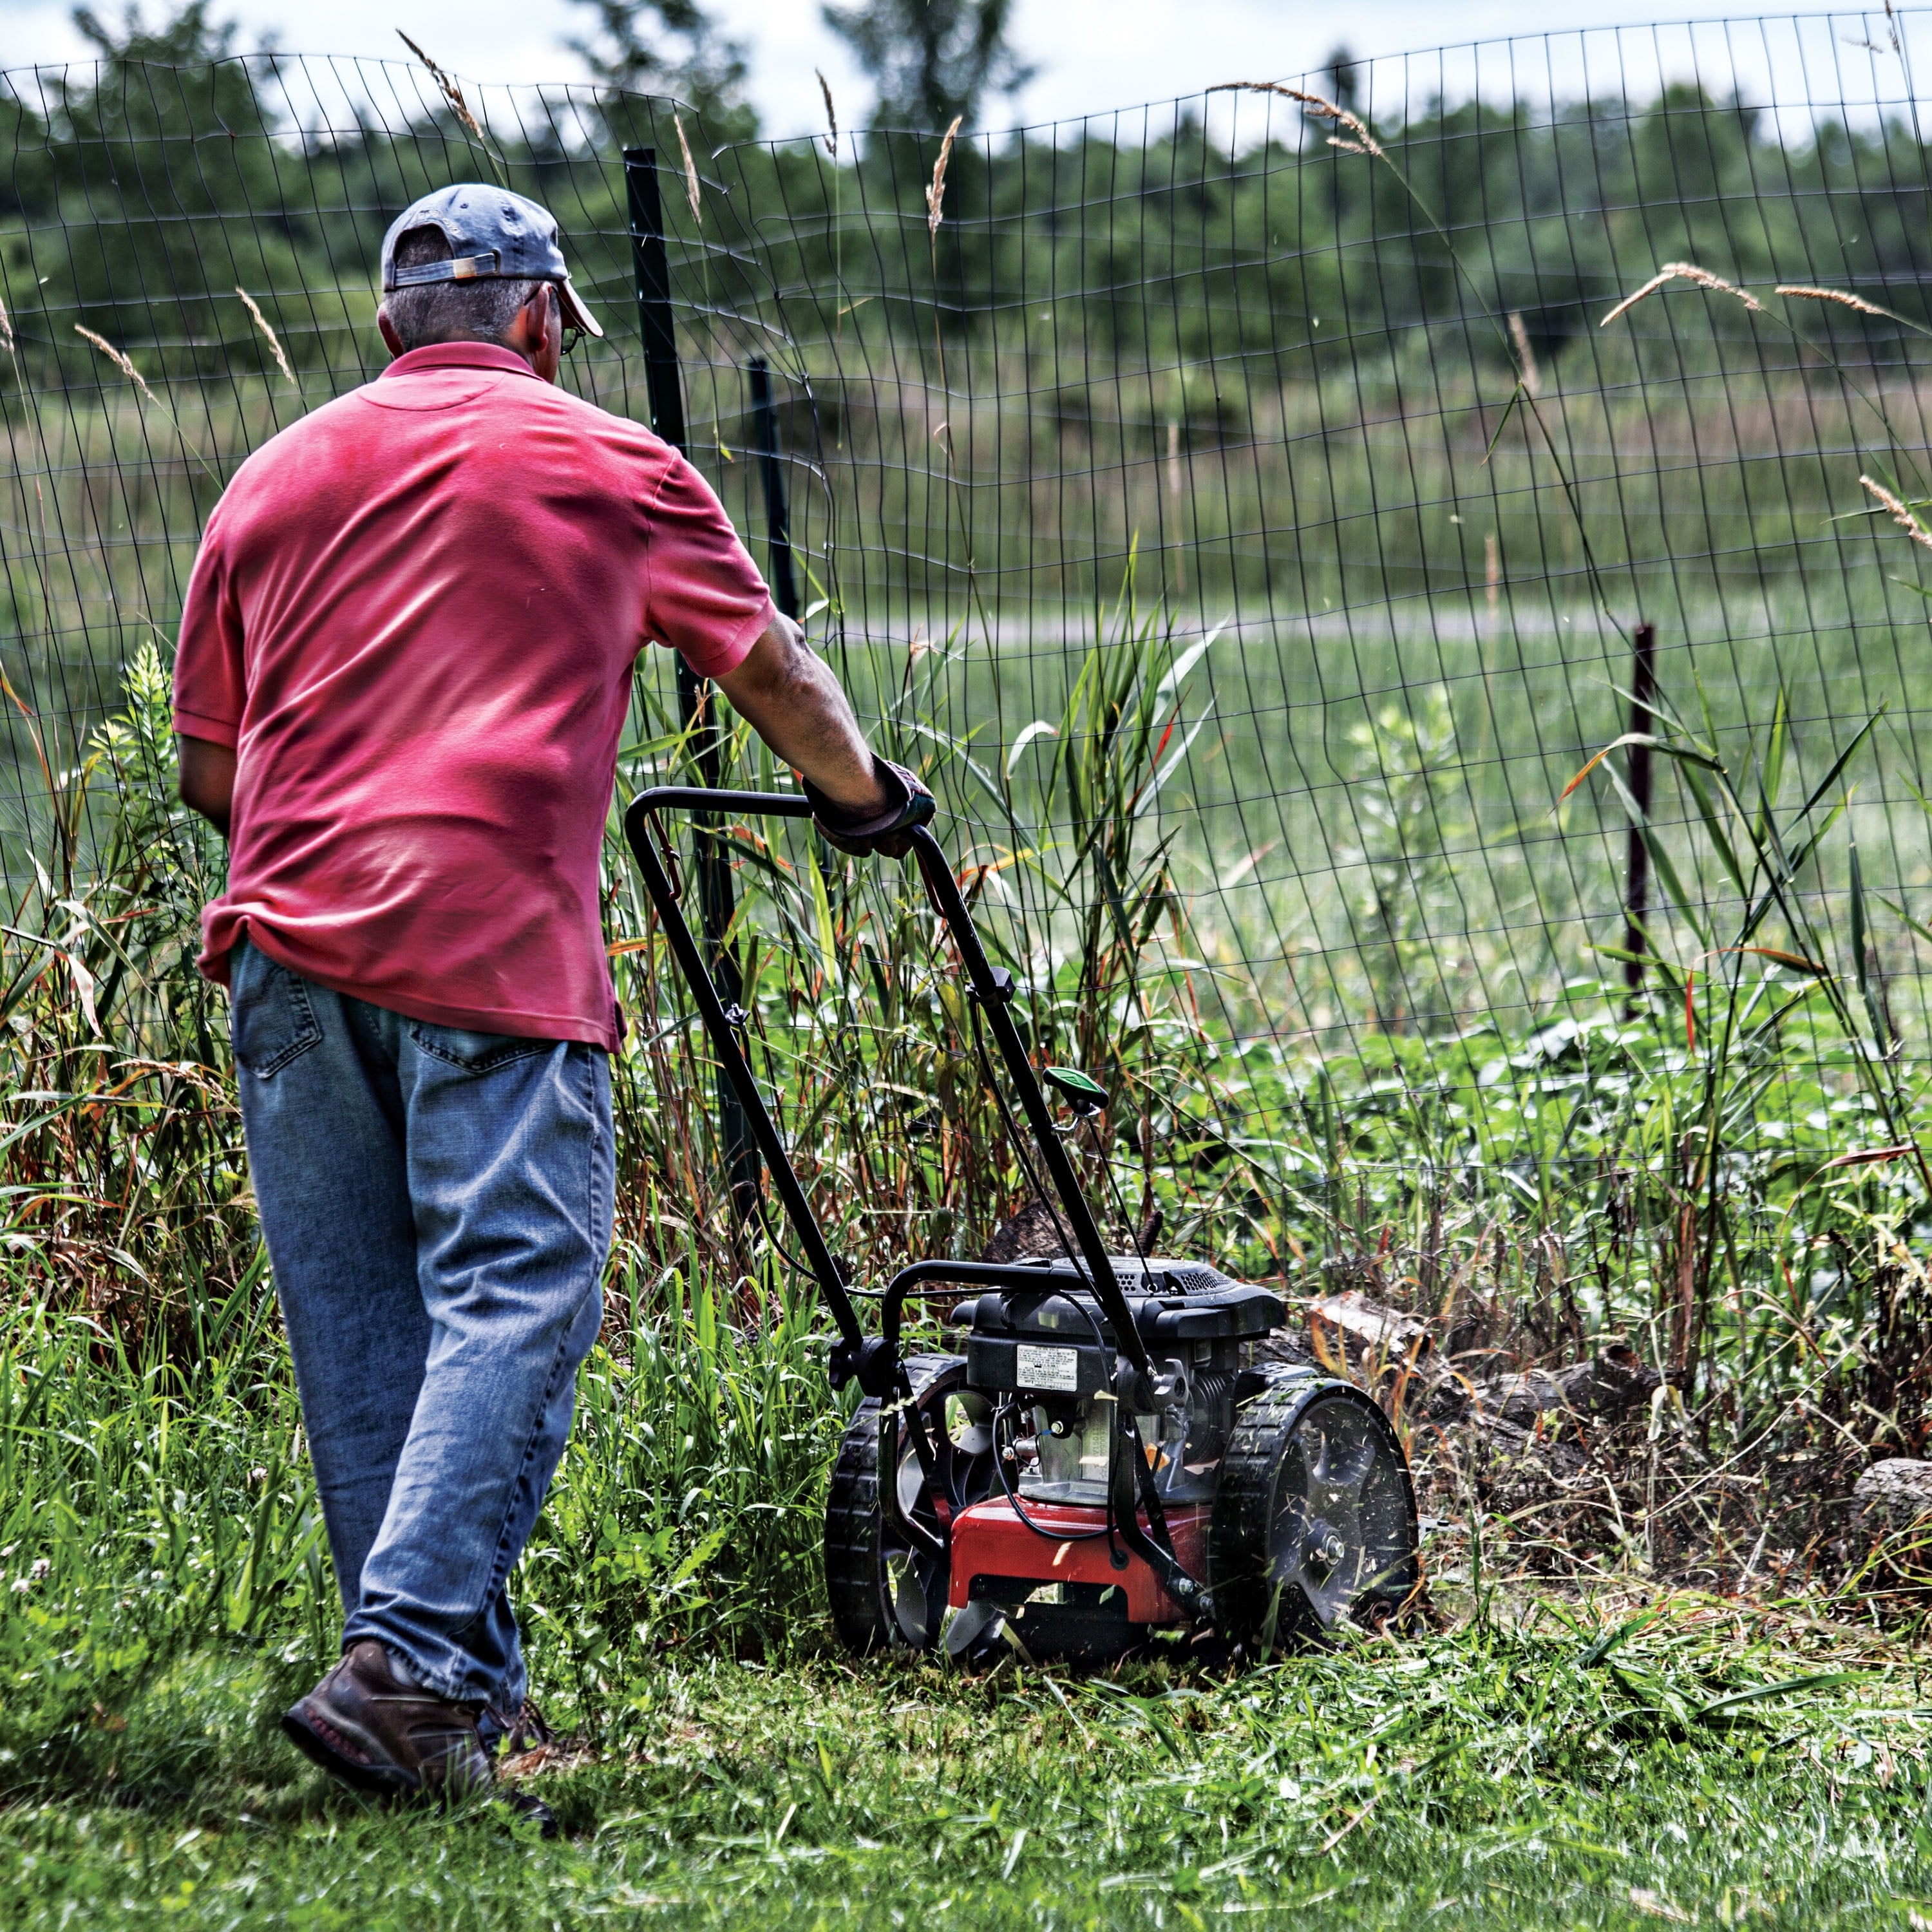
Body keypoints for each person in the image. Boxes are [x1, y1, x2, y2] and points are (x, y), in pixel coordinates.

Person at [171, 184, 929, 1815]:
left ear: (390, 329)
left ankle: (446, 1713)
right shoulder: (613, 465)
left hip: (286, 961)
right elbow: (776, 673)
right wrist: (863, 800)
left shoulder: (268, 480)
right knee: (518, 1291)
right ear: (538, 320)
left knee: (367, 1330)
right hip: (491, 952)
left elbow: (206, 769)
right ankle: (411, 1665)